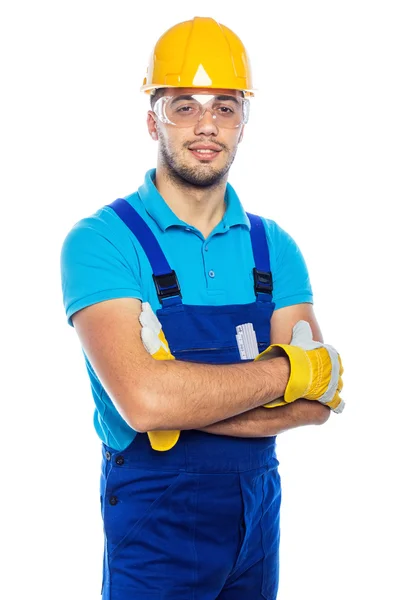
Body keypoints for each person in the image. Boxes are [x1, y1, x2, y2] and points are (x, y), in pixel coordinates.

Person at [60, 16, 344, 600]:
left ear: (244, 121)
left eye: (225, 106)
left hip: (256, 520)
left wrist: (177, 404)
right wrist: (291, 369)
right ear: (151, 118)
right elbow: (143, 402)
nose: (206, 125)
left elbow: (318, 405)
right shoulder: (103, 241)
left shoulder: (275, 247)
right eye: (183, 106)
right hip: (155, 522)